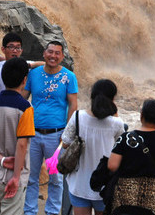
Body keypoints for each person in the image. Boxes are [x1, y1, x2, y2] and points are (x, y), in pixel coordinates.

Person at [22, 41, 78, 215]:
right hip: (32, 133)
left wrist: (67, 133)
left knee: (55, 178)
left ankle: (52, 212)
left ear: (62, 56)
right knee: (31, 176)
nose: (53, 56)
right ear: (44, 54)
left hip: (56, 135)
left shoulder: (69, 77)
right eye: (50, 52)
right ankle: (29, 211)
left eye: (57, 53)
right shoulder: (33, 74)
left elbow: (73, 105)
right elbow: (23, 99)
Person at [0, 57, 35, 215]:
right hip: (13, 178)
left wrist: (1, 160)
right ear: (24, 80)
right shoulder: (25, 107)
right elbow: (22, 144)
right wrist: (16, 177)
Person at [62, 79, 124, 215]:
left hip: (79, 184)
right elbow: (121, 148)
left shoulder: (77, 117)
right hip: (103, 186)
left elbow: (65, 143)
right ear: (113, 99)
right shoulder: (117, 123)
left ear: (91, 95)